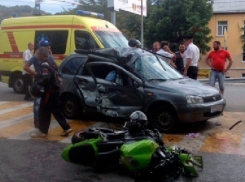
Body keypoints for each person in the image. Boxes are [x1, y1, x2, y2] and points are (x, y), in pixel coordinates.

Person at [28, 47, 72, 138]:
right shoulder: (51, 62)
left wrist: (37, 84)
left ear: (41, 55)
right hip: (55, 90)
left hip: (48, 92)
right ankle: (66, 127)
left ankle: (43, 131)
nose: (37, 56)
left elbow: (45, 78)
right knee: (55, 110)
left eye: (38, 54)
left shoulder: (44, 64)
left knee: (44, 111)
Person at [23, 40, 56, 130]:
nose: (49, 49)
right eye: (47, 47)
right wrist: (35, 73)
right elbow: (25, 66)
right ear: (42, 48)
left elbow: (56, 67)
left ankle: (41, 122)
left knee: (44, 103)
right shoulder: (36, 57)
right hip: (39, 84)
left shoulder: (49, 57)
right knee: (37, 103)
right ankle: (37, 122)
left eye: (49, 47)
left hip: (47, 84)